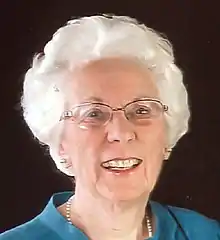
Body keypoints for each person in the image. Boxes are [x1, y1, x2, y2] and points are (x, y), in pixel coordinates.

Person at [1, 14, 219, 240]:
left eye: (141, 110)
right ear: (61, 145)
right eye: (93, 114)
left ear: (166, 135)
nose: (121, 133)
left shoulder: (205, 234)